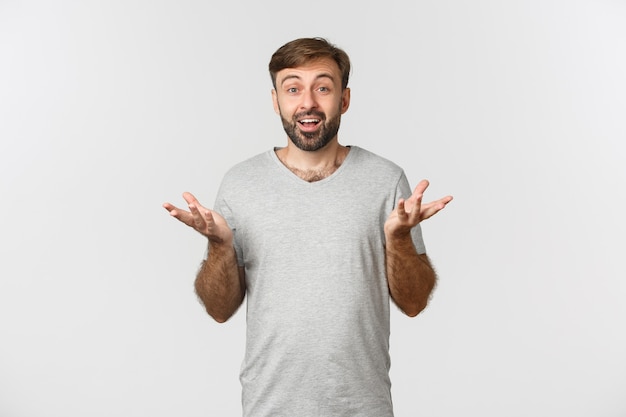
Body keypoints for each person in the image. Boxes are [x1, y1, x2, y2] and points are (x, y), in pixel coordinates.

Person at [163, 37, 453, 417]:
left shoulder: (386, 180)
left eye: (323, 87)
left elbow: (414, 304)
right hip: (270, 407)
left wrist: (397, 240)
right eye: (293, 88)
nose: (308, 102)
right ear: (275, 101)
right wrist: (221, 246)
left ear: (344, 100)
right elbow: (220, 310)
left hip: (362, 407)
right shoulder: (241, 184)